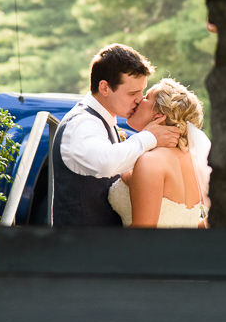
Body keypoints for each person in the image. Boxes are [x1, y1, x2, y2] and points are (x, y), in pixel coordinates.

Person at [51, 44, 180, 226]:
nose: (139, 99)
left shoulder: (105, 123)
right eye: (133, 93)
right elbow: (106, 162)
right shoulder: (81, 123)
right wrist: (149, 137)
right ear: (104, 88)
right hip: (80, 248)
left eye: (142, 91)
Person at [108, 77, 211, 228]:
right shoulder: (196, 162)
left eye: (146, 97)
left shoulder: (151, 161)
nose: (138, 100)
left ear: (159, 115)